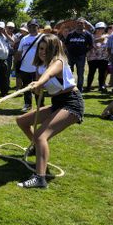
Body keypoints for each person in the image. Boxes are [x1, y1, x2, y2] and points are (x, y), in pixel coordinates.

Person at [16, 34, 84, 188]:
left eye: (47, 49)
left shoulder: (59, 61)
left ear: (55, 50)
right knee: (22, 121)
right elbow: (41, 87)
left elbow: (50, 74)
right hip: (57, 103)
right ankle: (36, 148)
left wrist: (40, 82)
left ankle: (40, 178)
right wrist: (38, 88)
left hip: (72, 103)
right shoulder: (40, 66)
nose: (42, 52)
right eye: (40, 48)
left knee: (41, 136)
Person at [15, 19, 43, 112]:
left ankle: (40, 105)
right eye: (30, 27)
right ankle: (28, 104)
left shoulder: (43, 37)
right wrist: (17, 64)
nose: (32, 28)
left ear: (38, 27)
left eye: (34, 26)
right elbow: (19, 52)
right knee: (26, 87)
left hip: (38, 68)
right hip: (25, 67)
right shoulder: (24, 38)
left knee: (38, 87)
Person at [65, 17, 94, 92]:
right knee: (69, 72)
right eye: (78, 23)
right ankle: (69, 87)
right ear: (76, 24)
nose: (80, 24)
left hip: (81, 57)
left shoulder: (87, 34)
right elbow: (66, 44)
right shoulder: (70, 34)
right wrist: (68, 52)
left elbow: (91, 45)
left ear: (84, 25)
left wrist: (85, 52)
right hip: (70, 56)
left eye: (81, 23)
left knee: (80, 73)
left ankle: (79, 89)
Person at [86, 22, 109, 93]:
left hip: (104, 58)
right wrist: (98, 40)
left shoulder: (106, 36)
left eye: (102, 28)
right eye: (99, 28)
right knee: (91, 72)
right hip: (92, 58)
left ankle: (101, 86)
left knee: (102, 73)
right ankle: (88, 86)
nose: (101, 30)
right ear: (96, 29)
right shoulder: (91, 36)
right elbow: (88, 45)